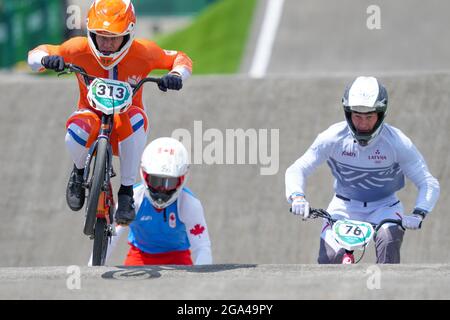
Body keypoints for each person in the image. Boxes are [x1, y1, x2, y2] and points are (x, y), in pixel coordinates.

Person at [27, 0, 192, 225]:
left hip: (125, 124)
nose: (106, 43)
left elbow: (180, 58)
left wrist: (177, 76)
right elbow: (36, 54)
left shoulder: (144, 52)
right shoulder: (78, 48)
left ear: (128, 34)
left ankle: (126, 193)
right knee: (76, 130)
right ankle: (78, 171)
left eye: (113, 37)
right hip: (89, 116)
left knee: (136, 120)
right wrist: (46, 59)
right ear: (90, 32)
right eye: (101, 35)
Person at [285, 76, 440, 264]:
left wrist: (418, 213)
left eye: (369, 116)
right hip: (343, 207)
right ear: (348, 113)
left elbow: (428, 182)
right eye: (357, 116)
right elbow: (297, 168)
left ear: (381, 114)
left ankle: (386, 292)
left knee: (387, 243)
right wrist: (297, 196)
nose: (363, 123)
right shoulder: (332, 138)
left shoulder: (398, 143)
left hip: (385, 208)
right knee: (330, 259)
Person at [103, 137, 212, 266]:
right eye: (155, 181)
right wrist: (94, 268)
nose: (161, 191)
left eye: (169, 183)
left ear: (182, 178)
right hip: (140, 256)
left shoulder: (189, 204)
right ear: (144, 175)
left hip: (177, 257)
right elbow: (111, 235)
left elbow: (202, 247)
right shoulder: (134, 197)